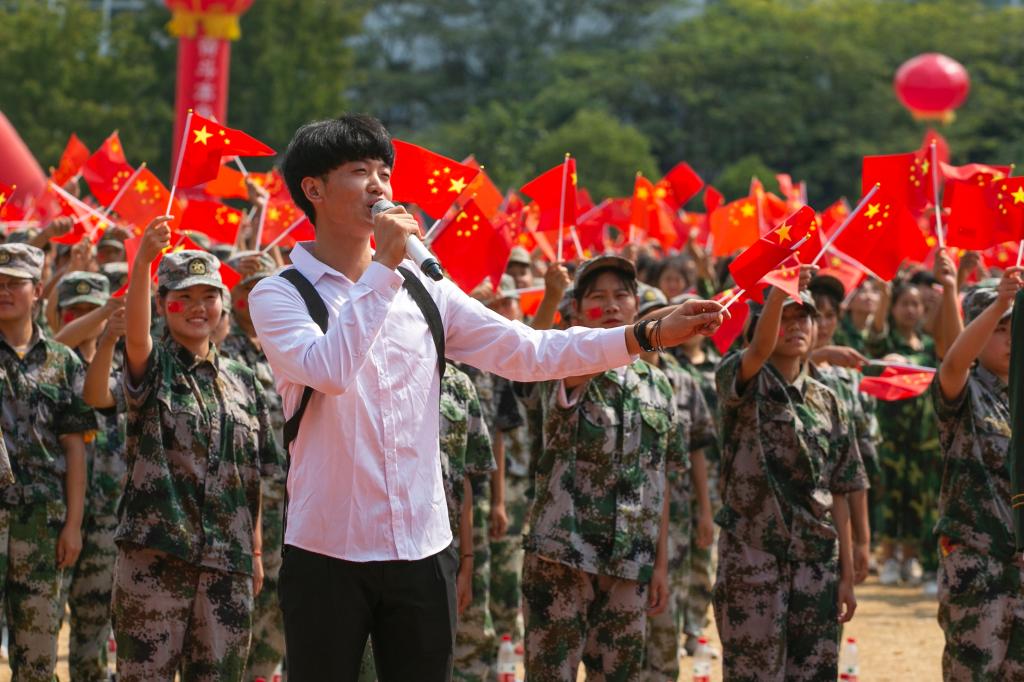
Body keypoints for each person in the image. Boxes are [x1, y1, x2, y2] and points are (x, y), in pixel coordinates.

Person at [247, 114, 724, 681]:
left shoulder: (425, 289)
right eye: (359, 172)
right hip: (328, 549)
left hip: (422, 547)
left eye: (384, 173)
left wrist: (646, 334)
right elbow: (329, 370)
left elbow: (529, 350)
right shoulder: (280, 295)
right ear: (314, 189)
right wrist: (385, 268)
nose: (378, 186)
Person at [113, 224, 281, 681]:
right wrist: (143, 262)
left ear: (224, 303)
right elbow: (136, 336)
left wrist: (256, 551)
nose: (197, 307)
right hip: (156, 560)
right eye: (183, 297)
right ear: (161, 303)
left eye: (208, 296)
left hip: (228, 564)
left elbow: (252, 474)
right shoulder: (154, 365)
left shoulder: (244, 380)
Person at [516, 256, 681, 680]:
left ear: (636, 305)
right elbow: (532, 357)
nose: (610, 305)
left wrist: (659, 564)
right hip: (562, 558)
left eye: (621, 295)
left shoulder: (658, 385)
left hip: (629, 562)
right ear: (576, 310)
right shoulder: (566, 363)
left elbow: (658, 481)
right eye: (597, 297)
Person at [714, 269, 866, 681]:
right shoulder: (741, 378)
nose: (795, 326)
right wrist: (779, 292)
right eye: (785, 317)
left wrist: (847, 573)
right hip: (753, 556)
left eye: (804, 318)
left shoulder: (828, 400)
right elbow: (758, 350)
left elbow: (840, 487)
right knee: (753, 673)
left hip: (816, 561)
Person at [0, 243, 92, 679]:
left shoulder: (62, 362)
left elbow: (74, 447)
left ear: (38, 290)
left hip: (42, 523)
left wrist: (73, 524)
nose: (4, 291)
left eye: (14, 283)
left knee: (37, 656)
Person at [933, 269, 1023, 680]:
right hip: (977, 564)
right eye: (999, 329)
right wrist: (1000, 302)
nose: (1010, 338)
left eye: (1015, 327)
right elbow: (954, 361)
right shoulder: (966, 391)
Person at [636, 287, 717, 681]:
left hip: (677, 511)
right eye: (649, 318)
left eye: (662, 316)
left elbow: (698, 448)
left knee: (669, 602)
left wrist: (705, 510)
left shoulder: (683, 382)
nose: (657, 325)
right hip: (629, 512)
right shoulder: (614, 374)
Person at [52, 271, 126, 682]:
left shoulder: (121, 366)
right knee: (44, 625)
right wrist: (101, 312)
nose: (83, 318)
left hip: (108, 518)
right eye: (74, 311)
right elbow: (56, 343)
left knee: (94, 624)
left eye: (90, 309)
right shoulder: (52, 363)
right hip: (57, 516)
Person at [220, 250, 289, 682]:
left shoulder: (287, 343)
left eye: (265, 287)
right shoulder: (222, 350)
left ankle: (262, 673)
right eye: (248, 290)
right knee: (239, 598)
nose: (256, 296)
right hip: (242, 500)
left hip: (290, 497)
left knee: (281, 601)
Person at [867, 276, 941, 587]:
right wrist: (884, 295)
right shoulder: (887, 344)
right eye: (905, 304)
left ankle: (910, 558)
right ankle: (889, 558)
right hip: (891, 438)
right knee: (889, 498)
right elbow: (875, 333)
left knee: (917, 502)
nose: (911, 310)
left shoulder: (928, 346)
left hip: (922, 439)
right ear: (894, 308)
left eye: (916, 304)